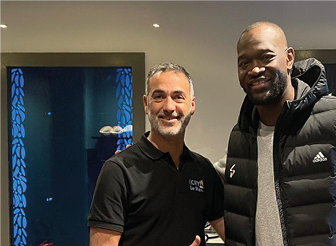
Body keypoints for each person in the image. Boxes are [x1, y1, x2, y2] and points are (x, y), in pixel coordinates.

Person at [215, 21, 336, 245]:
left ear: (289, 58)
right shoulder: (240, 137)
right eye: (244, 62)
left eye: (266, 57)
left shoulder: (331, 119)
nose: (255, 69)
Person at [88, 62, 225, 246]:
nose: (169, 107)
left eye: (178, 97)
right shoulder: (118, 171)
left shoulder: (203, 170)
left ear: (192, 105)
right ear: (146, 104)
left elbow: (236, 234)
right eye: (159, 97)